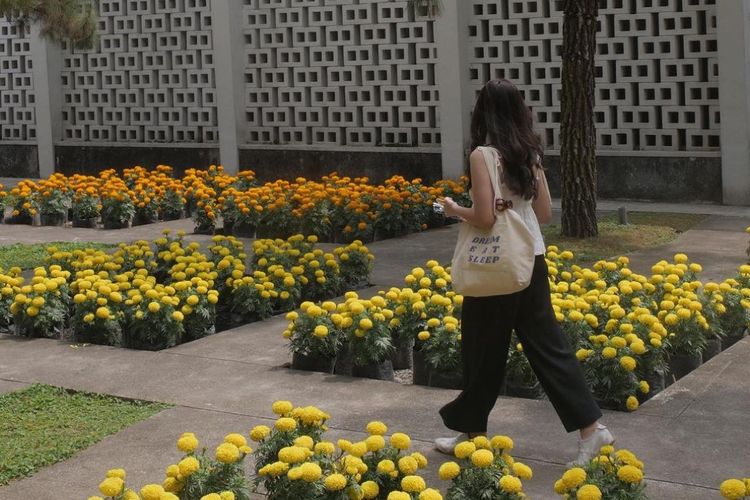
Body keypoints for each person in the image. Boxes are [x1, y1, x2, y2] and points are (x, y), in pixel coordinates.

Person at [435, 79, 613, 465]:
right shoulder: (529, 153)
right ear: (519, 112)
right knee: (547, 347)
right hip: (531, 258)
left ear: (483, 112)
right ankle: (588, 429)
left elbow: (483, 218)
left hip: (497, 264)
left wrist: (453, 209)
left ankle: (475, 433)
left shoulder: (483, 156)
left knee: (482, 348)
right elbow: (545, 213)